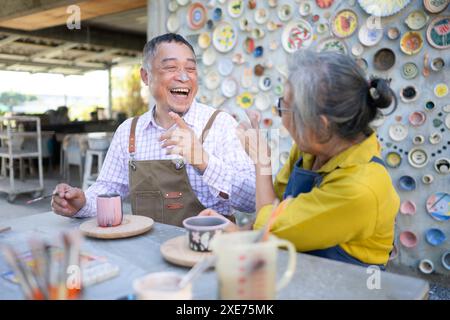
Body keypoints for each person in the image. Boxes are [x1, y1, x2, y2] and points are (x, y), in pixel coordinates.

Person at [201, 50, 400, 268]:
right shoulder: (310, 149)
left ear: (321, 125)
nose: (280, 115)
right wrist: (236, 232)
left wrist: (261, 161)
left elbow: (269, 226)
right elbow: (273, 208)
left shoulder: (360, 189)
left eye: (284, 108)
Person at [51, 33, 255, 226]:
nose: (184, 77)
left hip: (208, 252)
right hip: (148, 251)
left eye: (191, 69)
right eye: (171, 67)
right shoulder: (128, 132)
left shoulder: (220, 125)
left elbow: (252, 199)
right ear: (146, 76)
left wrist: (203, 161)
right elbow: (109, 189)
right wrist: (82, 203)